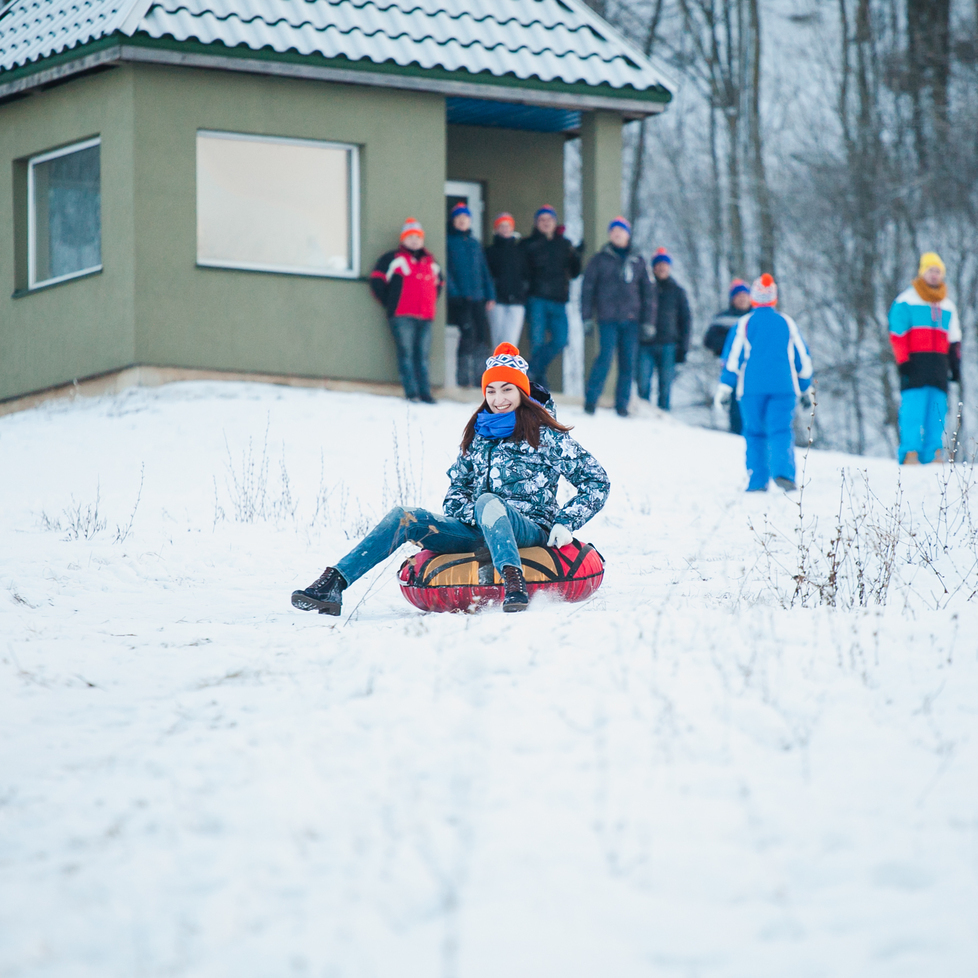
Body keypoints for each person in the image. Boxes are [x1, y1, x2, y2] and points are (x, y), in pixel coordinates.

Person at [291, 343, 611, 616]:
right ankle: (333, 584)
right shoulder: (479, 436)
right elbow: (456, 495)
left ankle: (514, 582)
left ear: (522, 391)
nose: (498, 398)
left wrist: (566, 522)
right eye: (491, 390)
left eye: (507, 389)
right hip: (476, 531)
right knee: (404, 516)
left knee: (488, 501)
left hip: (529, 530)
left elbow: (597, 482)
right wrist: (478, 518)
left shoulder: (545, 436)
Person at [714, 274, 813, 492]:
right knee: (781, 430)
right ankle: (783, 473)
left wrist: (725, 388)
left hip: (751, 390)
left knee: (754, 432)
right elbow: (802, 359)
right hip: (784, 388)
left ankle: (757, 480)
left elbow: (732, 360)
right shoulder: (786, 322)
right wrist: (807, 388)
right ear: (774, 299)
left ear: (753, 299)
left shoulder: (744, 324)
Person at [888, 252, 962, 465]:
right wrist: (903, 361)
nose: (934, 275)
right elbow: (897, 335)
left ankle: (934, 452)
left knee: (938, 410)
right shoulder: (906, 301)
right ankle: (910, 451)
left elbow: (954, 338)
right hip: (915, 364)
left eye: (938, 271)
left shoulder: (947, 304)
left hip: (939, 365)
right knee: (913, 409)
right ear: (922, 273)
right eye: (931, 270)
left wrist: (955, 365)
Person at [581, 216, 655, 417]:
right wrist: (586, 317)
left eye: (621, 231)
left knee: (627, 363)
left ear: (627, 235)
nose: (617, 234)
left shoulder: (638, 260)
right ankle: (590, 400)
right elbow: (588, 289)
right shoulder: (599, 259)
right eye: (613, 231)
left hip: (631, 320)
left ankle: (622, 405)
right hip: (607, 318)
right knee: (604, 358)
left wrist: (648, 321)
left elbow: (648, 293)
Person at [369, 217, 443, 403]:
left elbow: (439, 284)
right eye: (410, 237)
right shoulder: (393, 258)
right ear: (403, 239)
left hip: (425, 316)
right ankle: (412, 393)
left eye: (417, 237)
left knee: (423, 356)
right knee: (406, 354)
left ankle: (425, 393)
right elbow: (377, 280)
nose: (414, 240)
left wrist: (429, 302)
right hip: (402, 316)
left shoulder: (431, 262)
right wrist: (391, 302)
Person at [522, 205, 582, 384]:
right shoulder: (528, 244)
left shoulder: (564, 244)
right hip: (536, 299)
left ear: (555, 223)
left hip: (558, 300)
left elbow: (575, 273)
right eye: (542, 220)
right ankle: (539, 385)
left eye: (549, 220)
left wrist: (577, 256)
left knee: (561, 340)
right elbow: (522, 272)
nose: (546, 223)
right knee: (537, 342)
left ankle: (531, 371)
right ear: (536, 223)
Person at [445, 202, 496, 388]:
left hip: (478, 297)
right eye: (458, 219)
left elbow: (484, 271)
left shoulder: (475, 244)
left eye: (465, 219)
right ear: (453, 221)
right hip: (460, 299)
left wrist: (490, 295)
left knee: (481, 336)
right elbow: (447, 271)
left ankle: (480, 378)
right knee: (467, 334)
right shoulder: (449, 242)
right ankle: (463, 377)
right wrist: (455, 294)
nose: (462, 222)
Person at [636, 248, 691, 411]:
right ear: (653, 267)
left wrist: (683, 348)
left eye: (665, 265)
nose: (661, 268)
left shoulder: (678, 291)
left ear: (669, 267)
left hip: (669, 345)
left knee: (665, 387)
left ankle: (663, 418)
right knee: (643, 384)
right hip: (646, 344)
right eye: (658, 265)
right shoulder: (645, 289)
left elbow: (686, 321)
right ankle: (643, 416)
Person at [703, 279, 752, 434]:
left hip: (754, 367)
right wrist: (729, 346)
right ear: (733, 298)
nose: (742, 299)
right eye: (739, 296)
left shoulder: (756, 317)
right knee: (736, 403)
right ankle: (736, 433)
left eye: (745, 295)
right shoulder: (722, 318)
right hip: (732, 367)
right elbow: (709, 341)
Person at [485, 212, 528, 348]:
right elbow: (486, 276)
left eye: (507, 225)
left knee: (511, 343)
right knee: (498, 342)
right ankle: (497, 369)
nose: (505, 229)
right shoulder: (489, 252)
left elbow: (527, 274)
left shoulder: (520, 251)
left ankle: (508, 369)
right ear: (496, 229)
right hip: (496, 302)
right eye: (501, 226)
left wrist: (523, 292)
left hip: (516, 302)